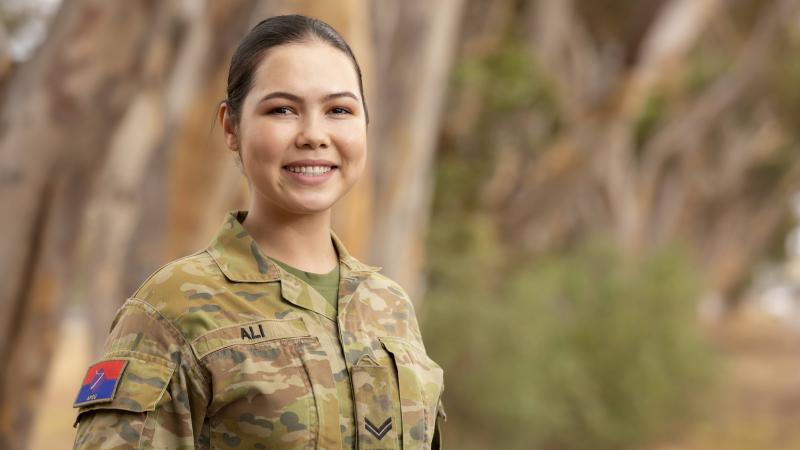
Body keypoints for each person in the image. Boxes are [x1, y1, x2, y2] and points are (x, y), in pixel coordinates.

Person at [72, 14, 445, 450]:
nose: (314, 135)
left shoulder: (389, 307)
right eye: (282, 110)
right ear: (231, 126)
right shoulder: (171, 308)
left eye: (339, 110)